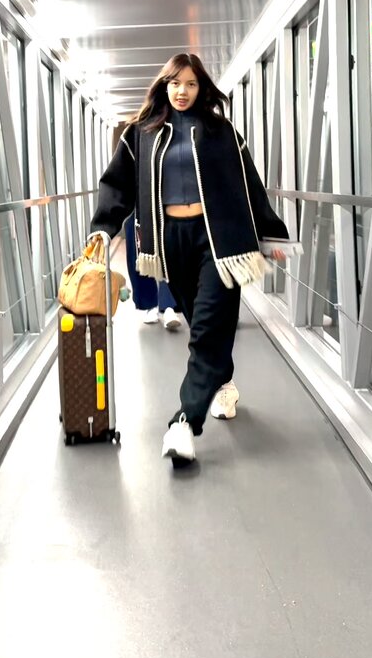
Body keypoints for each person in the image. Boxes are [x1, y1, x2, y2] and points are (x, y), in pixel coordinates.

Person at [91, 53, 288, 468]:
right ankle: (224, 382)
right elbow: (117, 184)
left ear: (202, 89)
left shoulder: (220, 132)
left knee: (208, 328)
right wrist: (104, 227)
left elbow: (248, 183)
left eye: (191, 84)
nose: (182, 91)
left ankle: (184, 423)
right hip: (170, 243)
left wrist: (269, 232)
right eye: (175, 83)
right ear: (164, 85)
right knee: (202, 323)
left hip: (220, 241)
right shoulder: (141, 133)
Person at [124, 213, 181, 330]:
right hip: (136, 205)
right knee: (139, 247)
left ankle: (169, 305)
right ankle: (150, 304)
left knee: (167, 244)